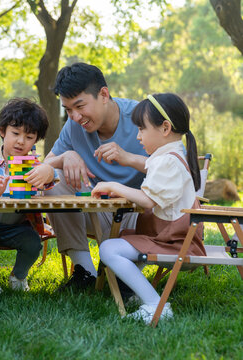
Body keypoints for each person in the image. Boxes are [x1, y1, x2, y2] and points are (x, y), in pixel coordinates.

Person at [93, 93, 206, 322]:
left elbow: (146, 200)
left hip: (175, 243)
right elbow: (150, 168)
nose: (137, 136)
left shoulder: (168, 161)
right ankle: (137, 293)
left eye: (142, 129)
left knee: (108, 249)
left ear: (165, 128)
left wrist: (113, 185)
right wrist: (126, 162)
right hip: (171, 238)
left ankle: (157, 305)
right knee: (120, 240)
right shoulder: (169, 156)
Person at [43, 63, 148, 291]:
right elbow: (43, 167)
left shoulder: (143, 116)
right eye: (68, 109)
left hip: (140, 213)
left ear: (103, 94)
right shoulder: (72, 127)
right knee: (54, 179)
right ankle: (86, 272)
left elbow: (175, 169)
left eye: (80, 106)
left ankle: (126, 275)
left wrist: (128, 157)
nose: (75, 116)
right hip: (98, 211)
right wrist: (65, 157)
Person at [0, 98, 58, 293]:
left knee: (33, 242)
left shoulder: (33, 165)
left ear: (36, 140)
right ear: (2, 131)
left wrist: (48, 171)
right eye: (15, 133)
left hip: (17, 228)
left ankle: (18, 276)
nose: (21, 141)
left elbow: (52, 179)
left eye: (30, 136)